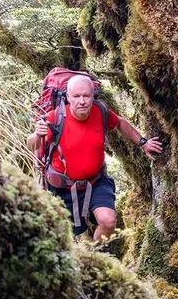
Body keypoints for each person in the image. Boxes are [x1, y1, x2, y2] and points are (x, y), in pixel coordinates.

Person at [27, 75, 162, 241]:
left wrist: (143, 142)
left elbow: (119, 123)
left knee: (108, 221)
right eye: (76, 96)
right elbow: (32, 146)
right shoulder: (55, 118)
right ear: (68, 97)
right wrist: (37, 134)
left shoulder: (100, 111)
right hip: (63, 189)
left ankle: (93, 257)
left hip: (96, 182)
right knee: (61, 237)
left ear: (93, 95)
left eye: (86, 96)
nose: (82, 101)